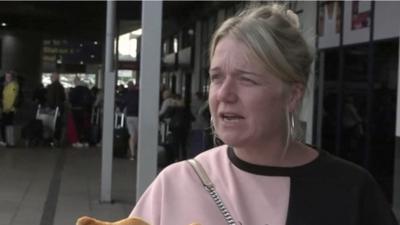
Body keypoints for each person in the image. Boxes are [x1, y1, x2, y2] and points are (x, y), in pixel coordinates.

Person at [130, 3, 398, 225]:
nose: (224, 94)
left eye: (246, 80)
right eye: (216, 77)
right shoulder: (177, 184)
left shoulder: (351, 192)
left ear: (292, 95)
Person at [46, 72, 66, 146]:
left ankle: (52, 140)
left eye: (52, 77)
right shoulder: (61, 86)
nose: (51, 78)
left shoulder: (51, 87)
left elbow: (50, 98)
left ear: (54, 78)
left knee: (52, 124)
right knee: (58, 124)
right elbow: (63, 98)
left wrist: (50, 107)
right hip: (60, 108)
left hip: (53, 108)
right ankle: (57, 139)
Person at [1, 71, 19, 147]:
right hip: (6, 108)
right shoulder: (7, 85)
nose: (7, 78)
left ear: (12, 77)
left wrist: (8, 108)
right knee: (7, 125)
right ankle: (8, 142)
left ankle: (9, 142)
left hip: (9, 109)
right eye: (6, 76)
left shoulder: (13, 85)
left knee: (7, 125)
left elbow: (12, 98)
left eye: (8, 76)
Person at [123, 81, 139, 160]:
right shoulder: (139, 94)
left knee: (132, 135)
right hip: (138, 116)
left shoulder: (127, 95)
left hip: (129, 116)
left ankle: (132, 154)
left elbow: (123, 104)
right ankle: (138, 152)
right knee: (138, 135)